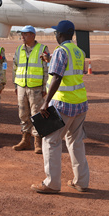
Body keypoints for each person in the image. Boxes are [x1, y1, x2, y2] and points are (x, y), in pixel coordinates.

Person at [31, 20, 90, 194]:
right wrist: (50, 60)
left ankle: (52, 184)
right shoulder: (78, 51)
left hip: (63, 103)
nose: (55, 35)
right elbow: (71, 71)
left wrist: (45, 102)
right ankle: (81, 182)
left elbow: (57, 77)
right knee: (76, 142)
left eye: (56, 33)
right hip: (80, 103)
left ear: (60, 35)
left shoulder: (61, 51)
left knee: (51, 141)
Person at [12, 25, 50, 153]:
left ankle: (37, 142)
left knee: (37, 114)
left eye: (25, 34)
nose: (22, 36)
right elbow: (15, 68)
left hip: (36, 88)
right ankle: (25, 140)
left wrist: (45, 86)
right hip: (22, 86)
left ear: (33, 35)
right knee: (23, 114)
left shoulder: (42, 49)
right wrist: (16, 85)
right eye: (22, 34)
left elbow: (46, 69)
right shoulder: (19, 49)